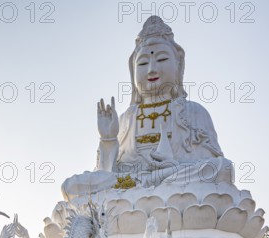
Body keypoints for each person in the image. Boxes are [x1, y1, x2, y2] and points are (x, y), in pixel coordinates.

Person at [96, 16, 233, 188]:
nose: (152, 69)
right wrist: (108, 139)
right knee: (73, 185)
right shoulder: (126, 119)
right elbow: (106, 175)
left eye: (161, 59)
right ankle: (145, 185)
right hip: (130, 186)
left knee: (222, 167)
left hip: (177, 184)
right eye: (143, 63)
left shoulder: (194, 111)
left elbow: (212, 166)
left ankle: (151, 184)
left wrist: (172, 167)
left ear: (179, 65)